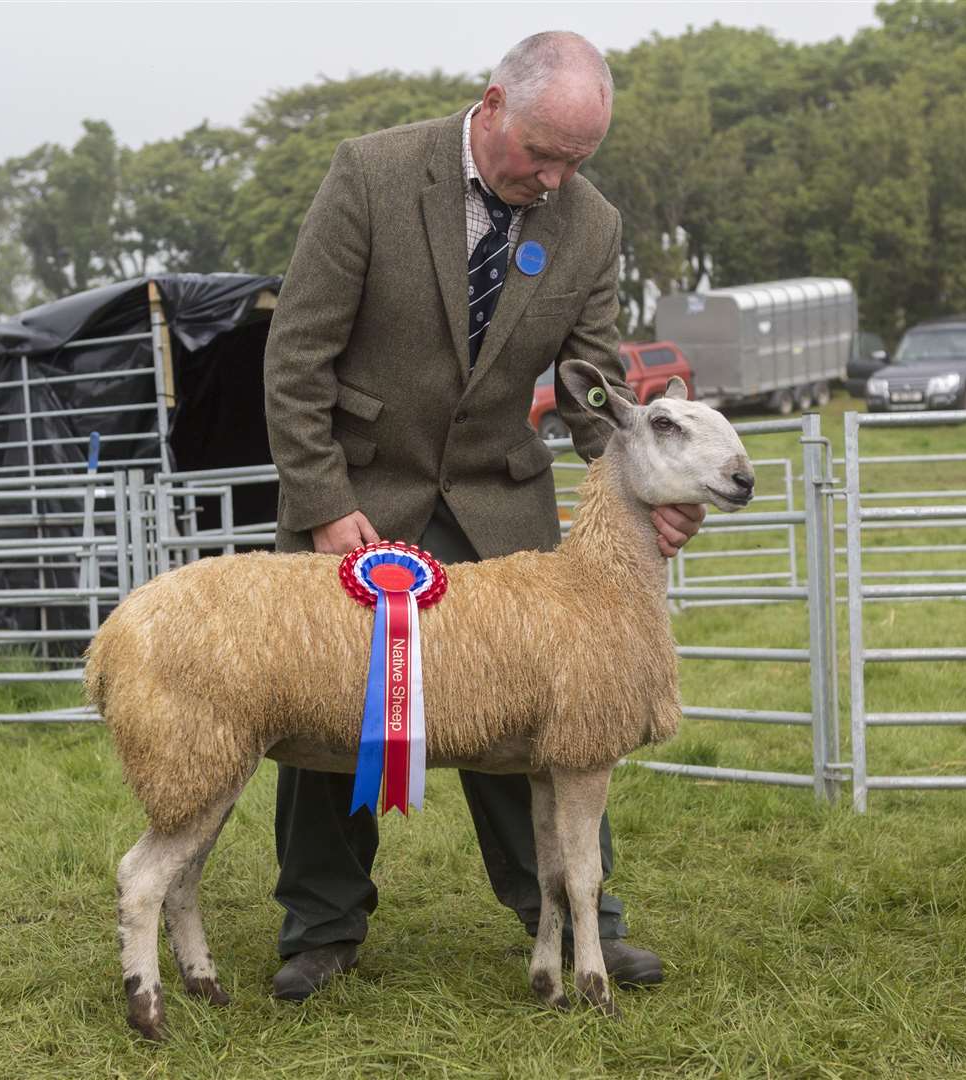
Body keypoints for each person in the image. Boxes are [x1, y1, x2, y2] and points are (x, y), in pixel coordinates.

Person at [261, 30, 705, 1001]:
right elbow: (296, 358)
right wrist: (327, 505)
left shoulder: (591, 225)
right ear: (492, 103)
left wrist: (645, 488)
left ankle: (585, 920)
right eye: (541, 153)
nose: (553, 178)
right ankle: (322, 927)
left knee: (549, 718)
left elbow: (591, 388)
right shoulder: (371, 175)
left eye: (576, 161)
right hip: (362, 507)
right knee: (331, 714)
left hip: (497, 499)